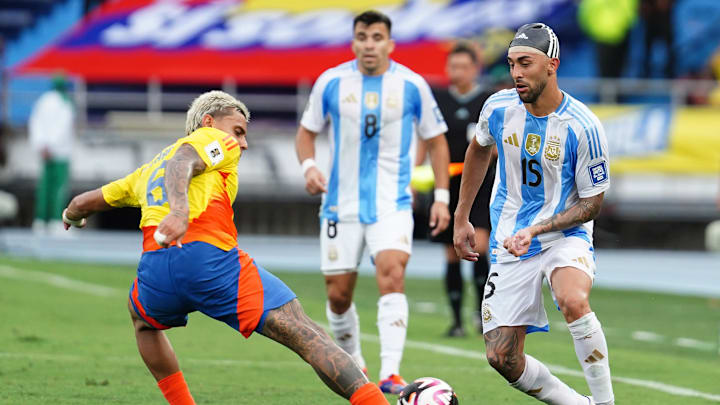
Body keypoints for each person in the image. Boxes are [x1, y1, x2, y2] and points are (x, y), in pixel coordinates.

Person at [61, 91, 390, 405]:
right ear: (208, 121)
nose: (243, 143)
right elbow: (184, 161)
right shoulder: (215, 141)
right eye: (238, 131)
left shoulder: (147, 170)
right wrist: (179, 212)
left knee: (143, 321)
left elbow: (82, 201)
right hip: (207, 259)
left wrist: (71, 216)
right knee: (306, 333)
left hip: (156, 269)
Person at [454, 23, 615, 405]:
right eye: (511, 64)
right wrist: (462, 216)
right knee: (501, 357)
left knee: (573, 299)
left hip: (565, 235)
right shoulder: (498, 107)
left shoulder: (584, 126)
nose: (516, 74)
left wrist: (539, 228)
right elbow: (478, 149)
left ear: (552, 65)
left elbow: (592, 204)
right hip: (510, 239)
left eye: (525, 63)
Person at [295, 10, 451, 395]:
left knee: (392, 273)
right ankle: (356, 366)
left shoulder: (412, 85)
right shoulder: (330, 82)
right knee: (337, 294)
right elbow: (306, 133)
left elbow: (437, 140)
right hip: (339, 204)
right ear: (354, 42)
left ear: (389, 43)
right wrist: (310, 167)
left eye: (377, 37)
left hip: (391, 202)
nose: (369, 44)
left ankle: (392, 373)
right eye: (362, 36)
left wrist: (442, 198)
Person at [422, 42, 495, 338]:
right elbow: (426, 140)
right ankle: (456, 321)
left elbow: (498, 143)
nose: (457, 72)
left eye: (463, 67)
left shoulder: (488, 101)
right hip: (447, 184)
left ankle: (482, 315)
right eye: (453, 66)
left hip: (481, 184)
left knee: (479, 245)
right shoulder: (439, 100)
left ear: (475, 68)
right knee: (451, 252)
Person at [29, 76, 74, 233]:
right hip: (59, 152)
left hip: (44, 151)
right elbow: (62, 127)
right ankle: (56, 221)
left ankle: (40, 221)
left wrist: (42, 145)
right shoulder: (65, 102)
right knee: (59, 188)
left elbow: (35, 123)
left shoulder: (43, 100)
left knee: (44, 187)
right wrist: (52, 146)